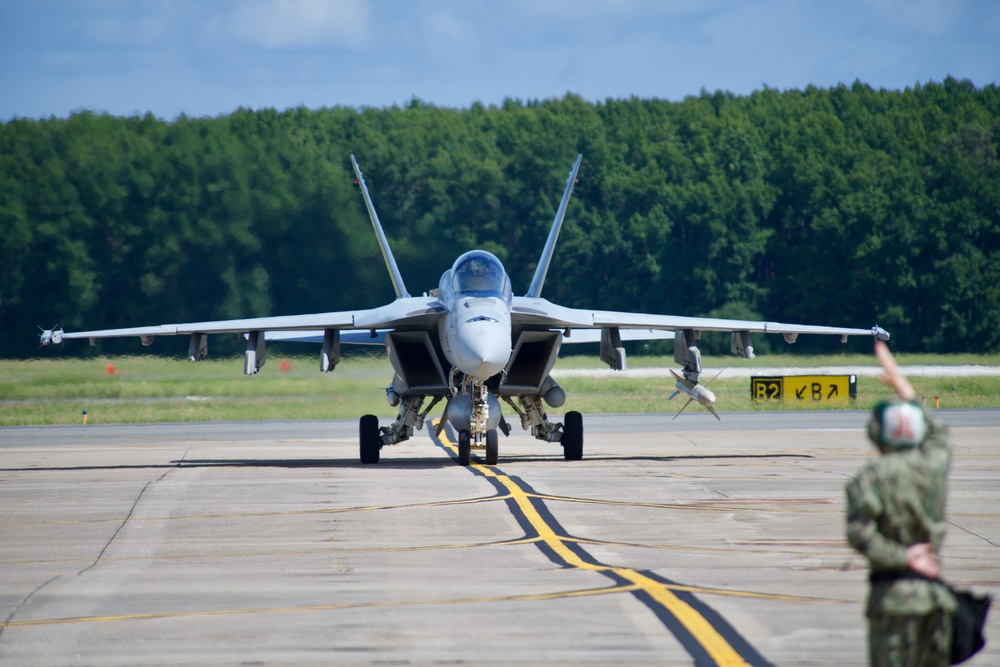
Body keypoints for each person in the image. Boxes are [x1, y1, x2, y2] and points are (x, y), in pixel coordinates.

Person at [846, 341, 957, 666]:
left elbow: (859, 534)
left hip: (892, 601)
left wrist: (903, 556)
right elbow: (940, 435)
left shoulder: (870, 479)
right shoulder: (933, 468)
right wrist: (904, 388)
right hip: (935, 600)